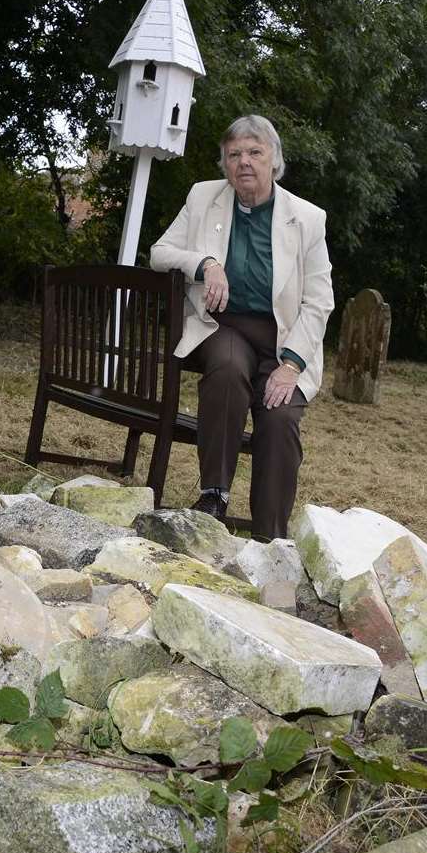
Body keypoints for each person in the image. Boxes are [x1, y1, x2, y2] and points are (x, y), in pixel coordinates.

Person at [149, 114, 333, 540]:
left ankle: (270, 538)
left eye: (255, 152)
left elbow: (319, 301)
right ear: (224, 164)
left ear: (275, 161)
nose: (244, 162)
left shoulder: (307, 219)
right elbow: (161, 252)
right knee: (228, 370)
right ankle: (214, 494)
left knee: (280, 418)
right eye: (234, 155)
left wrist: (290, 366)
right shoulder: (203, 198)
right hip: (224, 326)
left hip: (283, 342)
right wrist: (205, 263)